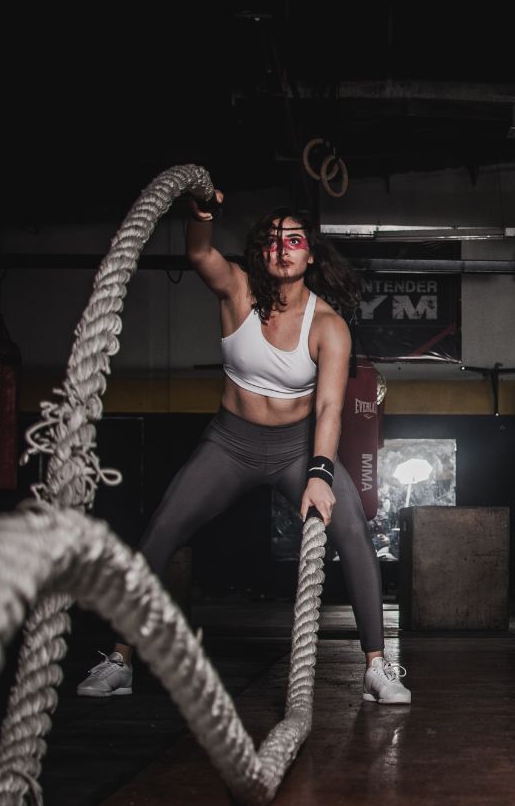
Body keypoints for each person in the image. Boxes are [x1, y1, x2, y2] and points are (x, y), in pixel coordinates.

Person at [78, 190, 410, 704]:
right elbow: (199, 254)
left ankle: (377, 666)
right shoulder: (237, 291)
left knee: (355, 535)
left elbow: (328, 409)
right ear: (262, 252)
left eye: (294, 240)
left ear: (310, 254)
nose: (283, 249)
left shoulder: (328, 326)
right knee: (162, 529)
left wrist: (320, 474)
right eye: (273, 241)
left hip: (298, 448)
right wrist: (201, 214)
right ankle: (120, 659)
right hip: (229, 443)